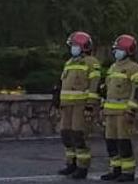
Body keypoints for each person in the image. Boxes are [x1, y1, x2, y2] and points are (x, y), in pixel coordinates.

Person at [101, 34, 138, 181]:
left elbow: (137, 90)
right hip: (110, 112)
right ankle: (115, 168)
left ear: (128, 50)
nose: (116, 52)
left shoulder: (133, 68)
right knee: (111, 141)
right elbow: (107, 89)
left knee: (123, 142)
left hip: (123, 113)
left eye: (119, 49)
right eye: (115, 49)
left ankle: (128, 172)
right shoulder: (113, 67)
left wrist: (131, 110)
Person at [59, 32, 103, 179]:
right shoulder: (69, 62)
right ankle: (71, 164)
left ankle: (82, 167)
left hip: (80, 105)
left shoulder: (91, 62)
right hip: (67, 105)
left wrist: (90, 104)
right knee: (66, 134)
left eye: (75, 45)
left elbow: (94, 85)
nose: (72, 48)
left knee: (79, 135)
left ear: (83, 46)